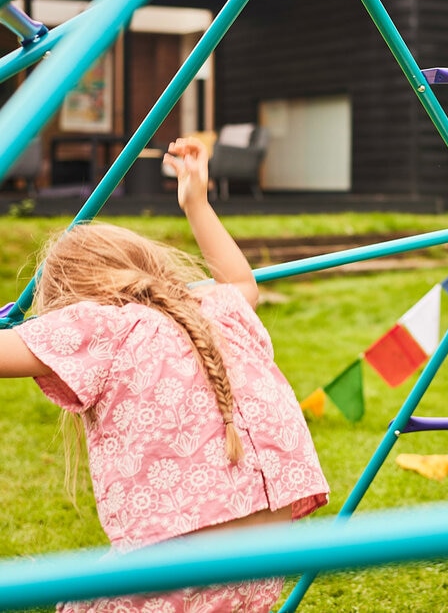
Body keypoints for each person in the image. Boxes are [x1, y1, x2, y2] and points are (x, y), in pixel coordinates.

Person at [0, 136, 329, 612]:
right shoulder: (214, 306)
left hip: (181, 557)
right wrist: (196, 201)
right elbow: (241, 281)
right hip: (264, 556)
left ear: (73, 299)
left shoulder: (99, 324)